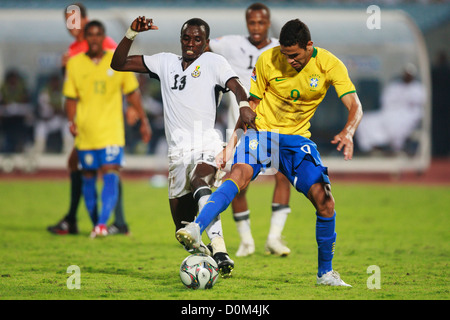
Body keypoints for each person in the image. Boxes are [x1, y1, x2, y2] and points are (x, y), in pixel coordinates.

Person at [176, 19, 363, 287]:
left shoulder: (329, 64)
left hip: (297, 141)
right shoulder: (267, 60)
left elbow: (355, 105)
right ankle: (196, 227)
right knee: (238, 176)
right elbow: (249, 110)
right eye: (285, 55)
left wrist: (349, 131)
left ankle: (325, 274)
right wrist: (230, 148)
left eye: (295, 56)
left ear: (309, 46)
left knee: (326, 201)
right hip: (261, 133)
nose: (290, 62)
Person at [110, 16, 250, 277]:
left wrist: (244, 105)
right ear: (181, 39)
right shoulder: (164, 62)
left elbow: (236, 86)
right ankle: (208, 260)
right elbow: (118, 63)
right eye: (187, 38)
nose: (191, 43)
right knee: (183, 230)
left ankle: (219, 248)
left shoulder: (214, 62)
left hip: (206, 142)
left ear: (206, 43)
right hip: (177, 154)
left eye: (198, 39)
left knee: (201, 180)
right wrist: (131, 33)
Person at [208, 2, 292, 257]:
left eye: (261, 23)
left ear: (268, 23)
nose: (256, 28)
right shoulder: (229, 43)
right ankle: (246, 240)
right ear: (247, 23)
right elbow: (200, 45)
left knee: (282, 176)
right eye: (252, 23)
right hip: (242, 124)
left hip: (275, 123)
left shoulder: (282, 47)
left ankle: (274, 238)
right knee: (238, 180)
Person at [47, 3, 129, 236]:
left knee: (100, 166)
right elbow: (72, 87)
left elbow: (120, 69)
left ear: (85, 20)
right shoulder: (74, 50)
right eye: (67, 20)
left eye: (75, 19)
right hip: (85, 120)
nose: (71, 25)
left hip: (104, 120)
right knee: (91, 166)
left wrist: (131, 106)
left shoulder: (104, 44)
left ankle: (80, 219)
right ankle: (108, 221)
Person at [63, 20, 151, 237]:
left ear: (103, 37)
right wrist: (71, 121)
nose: (94, 38)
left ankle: (102, 224)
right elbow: (70, 98)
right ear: (86, 37)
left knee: (111, 173)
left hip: (112, 131)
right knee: (89, 177)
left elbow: (132, 93)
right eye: (90, 34)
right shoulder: (74, 64)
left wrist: (143, 119)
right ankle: (96, 223)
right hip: (86, 132)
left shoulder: (116, 61)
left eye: (98, 34)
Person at [355, 63, 425, 155]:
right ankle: (371, 148)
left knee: (395, 124)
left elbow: (418, 107)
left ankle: (396, 149)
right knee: (364, 120)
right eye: (406, 73)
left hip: (407, 116)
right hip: (388, 113)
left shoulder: (418, 88)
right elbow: (385, 102)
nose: (407, 76)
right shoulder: (394, 86)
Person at [33, 73, 73, 155]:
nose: (55, 84)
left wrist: (58, 110)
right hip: (48, 120)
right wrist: (55, 110)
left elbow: (66, 110)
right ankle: (39, 150)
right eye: (53, 82)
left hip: (60, 120)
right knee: (40, 127)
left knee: (67, 125)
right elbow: (42, 109)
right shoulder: (44, 92)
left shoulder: (64, 92)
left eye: (56, 82)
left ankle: (68, 150)